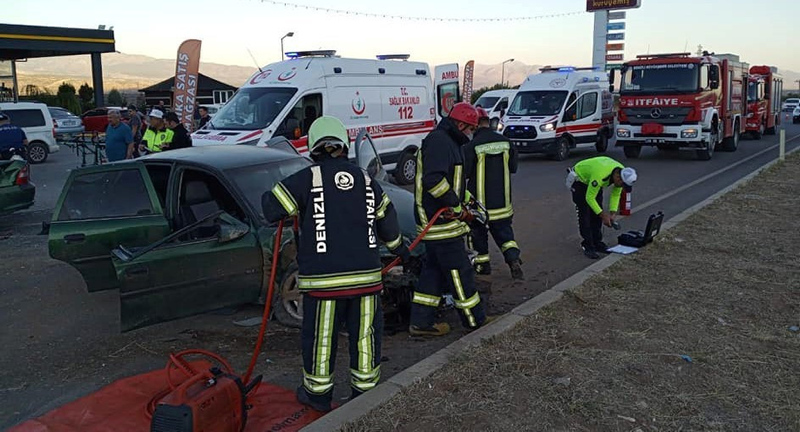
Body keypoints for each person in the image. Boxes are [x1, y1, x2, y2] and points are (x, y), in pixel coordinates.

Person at [262, 116, 410, 413]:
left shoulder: (307, 179)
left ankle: (317, 396)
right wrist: (401, 251)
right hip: (366, 280)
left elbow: (271, 208)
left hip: (323, 283)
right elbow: (388, 223)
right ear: (344, 146)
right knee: (365, 337)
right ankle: (365, 395)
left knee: (321, 339)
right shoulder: (366, 180)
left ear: (313, 148)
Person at [409, 102, 490, 337]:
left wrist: (466, 202)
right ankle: (475, 320)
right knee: (460, 271)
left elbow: (454, 182)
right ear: (461, 124)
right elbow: (434, 181)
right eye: (471, 129)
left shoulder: (450, 142)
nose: (472, 133)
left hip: (442, 221)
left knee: (433, 272)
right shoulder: (440, 142)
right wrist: (456, 208)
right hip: (439, 223)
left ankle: (421, 323)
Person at [464, 108, 523, 280]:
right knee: (506, 236)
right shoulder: (506, 142)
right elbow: (513, 168)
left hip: (479, 206)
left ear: (474, 125)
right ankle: (513, 260)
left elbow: (465, 173)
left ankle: (483, 267)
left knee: (477, 236)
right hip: (503, 204)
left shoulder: (471, 146)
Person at [566, 156, 637, 259]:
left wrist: (612, 213)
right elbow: (589, 197)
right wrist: (603, 215)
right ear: (618, 177)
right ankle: (588, 245)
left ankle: (597, 242)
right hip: (580, 181)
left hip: (594, 181)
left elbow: (616, 194)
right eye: (622, 185)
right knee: (585, 214)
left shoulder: (622, 173)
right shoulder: (601, 175)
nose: (622, 187)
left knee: (597, 213)